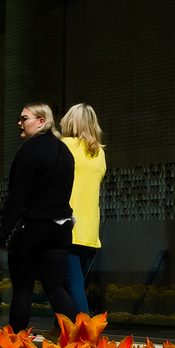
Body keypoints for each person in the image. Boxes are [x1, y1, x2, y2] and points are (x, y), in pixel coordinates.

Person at [0, 102, 78, 333]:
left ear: (41, 121)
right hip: (60, 229)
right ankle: (82, 337)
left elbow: (17, 197)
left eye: (24, 118)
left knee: (22, 288)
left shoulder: (29, 151)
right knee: (56, 287)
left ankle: (15, 341)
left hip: (32, 228)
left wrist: (1, 231)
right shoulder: (64, 151)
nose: (19, 123)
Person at [60, 104, 108, 316]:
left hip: (67, 225)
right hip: (89, 230)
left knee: (71, 283)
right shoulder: (99, 153)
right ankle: (59, 328)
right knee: (74, 282)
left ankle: (84, 332)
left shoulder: (64, 146)